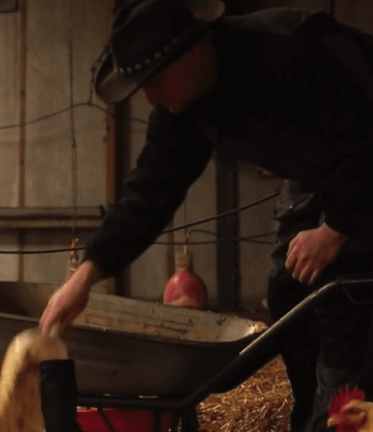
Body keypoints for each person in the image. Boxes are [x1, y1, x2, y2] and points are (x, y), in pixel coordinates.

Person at [38, 1, 373, 431]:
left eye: (154, 81)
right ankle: (312, 408)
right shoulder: (186, 104)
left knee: (343, 304)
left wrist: (335, 228)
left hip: (363, 160)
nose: (150, 97)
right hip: (324, 170)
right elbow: (150, 190)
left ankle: (345, 412)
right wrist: (87, 273)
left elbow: (364, 136)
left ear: (192, 52)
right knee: (289, 290)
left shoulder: (290, 52)